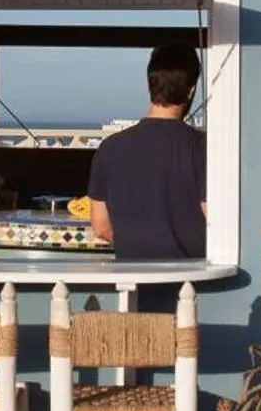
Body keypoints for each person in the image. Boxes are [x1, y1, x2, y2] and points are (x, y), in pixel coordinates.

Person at [87, 42, 206, 260]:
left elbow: (101, 227)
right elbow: (213, 219)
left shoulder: (110, 148)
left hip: (132, 282)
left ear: (148, 84)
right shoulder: (201, 147)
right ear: (191, 91)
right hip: (191, 282)